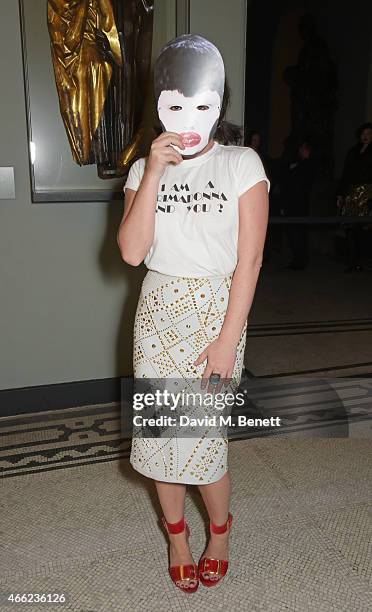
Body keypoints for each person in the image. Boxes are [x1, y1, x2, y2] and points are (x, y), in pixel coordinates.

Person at [117, 34, 270, 593]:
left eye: (200, 104)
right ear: (159, 102)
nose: (186, 116)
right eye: (174, 103)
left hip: (216, 311)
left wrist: (230, 339)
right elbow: (133, 252)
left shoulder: (240, 163)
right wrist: (154, 171)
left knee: (204, 442)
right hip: (158, 310)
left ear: (218, 103)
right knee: (162, 444)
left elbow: (250, 261)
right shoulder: (141, 171)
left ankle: (221, 533)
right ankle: (177, 538)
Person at [337, 122, 372, 272]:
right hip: (352, 192)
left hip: (369, 192)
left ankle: (364, 261)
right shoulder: (353, 151)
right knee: (350, 227)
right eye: (363, 133)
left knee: (365, 227)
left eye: (369, 133)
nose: (366, 136)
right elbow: (346, 173)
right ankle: (352, 261)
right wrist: (340, 194)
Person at [280, 140, 317, 269]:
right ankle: (298, 259)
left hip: (298, 203)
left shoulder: (308, 165)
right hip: (295, 202)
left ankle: (300, 260)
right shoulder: (300, 164)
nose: (300, 151)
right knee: (295, 232)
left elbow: (297, 184)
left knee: (297, 232)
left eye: (302, 149)